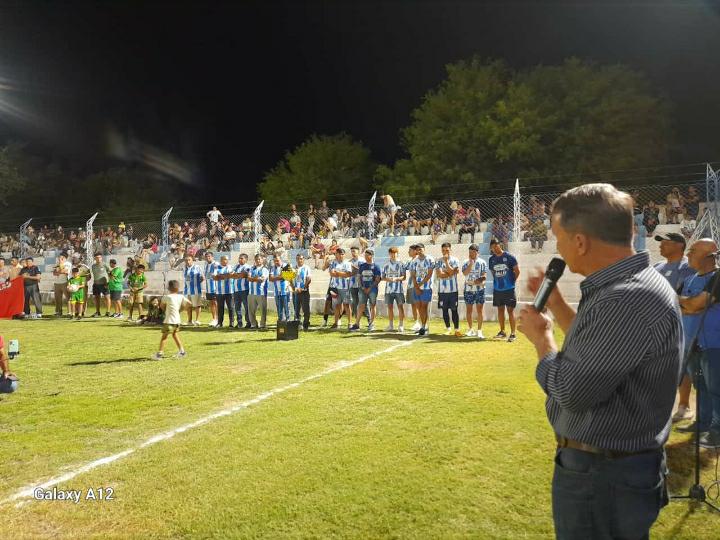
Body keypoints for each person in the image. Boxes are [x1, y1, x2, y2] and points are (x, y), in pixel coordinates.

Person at [517, 183, 681, 539]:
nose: (557, 247)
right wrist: (558, 305)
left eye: (558, 238)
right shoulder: (630, 285)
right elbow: (603, 349)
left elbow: (572, 390)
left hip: (603, 474)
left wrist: (541, 338)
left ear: (580, 242)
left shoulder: (624, 298)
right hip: (616, 468)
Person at [678, 238, 720, 448]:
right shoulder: (689, 279)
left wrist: (686, 304)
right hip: (693, 344)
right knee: (701, 386)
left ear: (709, 256)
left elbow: (694, 306)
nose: (688, 254)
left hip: (715, 344)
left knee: (716, 388)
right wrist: (688, 305)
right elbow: (676, 303)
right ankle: (702, 424)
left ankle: (717, 431)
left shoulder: (718, 278)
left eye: (693, 251)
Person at [653, 232, 696, 423]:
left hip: (680, 323)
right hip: (655, 324)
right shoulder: (656, 266)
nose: (661, 245)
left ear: (679, 245)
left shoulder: (689, 268)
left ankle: (684, 405)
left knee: (682, 364)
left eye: (665, 242)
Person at [489, 239, 520, 342]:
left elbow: (517, 271)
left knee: (510, 310)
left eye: (496, 246)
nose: (494, 249)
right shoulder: (491, 259)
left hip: (509, 289)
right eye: (492, 247)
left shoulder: (509, 257)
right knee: (500, 310)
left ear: (500, 245)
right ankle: (502, 331)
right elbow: (493, 273)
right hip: (498, 289)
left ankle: (513, 333)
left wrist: (512, 282)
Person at [153, 280, 190, 360]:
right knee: (175, 335)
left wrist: (165, 310)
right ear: (178, 288)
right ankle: (182, 351)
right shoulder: (181, 296)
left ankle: (160, 354)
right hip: (177, 320)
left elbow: (162, 306)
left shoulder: (167, 297)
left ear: (168, 288)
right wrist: (181, 309)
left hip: (169, 320)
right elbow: (189, 303)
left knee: (164, 337)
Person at [434, 243, 462, 337]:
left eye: (447, 250)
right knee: (444, 310)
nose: (445, 252)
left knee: (454, 310)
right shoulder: (438, 261)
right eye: (443, 250)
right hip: (442, 291)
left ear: (450, 250)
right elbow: (439, 274)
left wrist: (446, 263)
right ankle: (448, 329)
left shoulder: (455, 260)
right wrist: (451, 273)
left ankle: (457, 329)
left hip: (453, 290)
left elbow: (455, 272)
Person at [352, 249, 381, 331]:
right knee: (361, 305)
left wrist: (370, 288)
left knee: (372, 305)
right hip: (363, 289)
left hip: (373, 290)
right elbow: (359, 277)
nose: (365, 256)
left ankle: (371, 324)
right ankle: (357, 324)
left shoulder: (376, 266)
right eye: (364, 255)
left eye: (367, 255)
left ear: (371, 256)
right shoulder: (362, 266)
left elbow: (377, 279)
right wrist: (362, 287)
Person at [409, 243, 434, 336]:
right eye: (417, 250)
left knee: (424, 307)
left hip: (426, 287)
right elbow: (413, 274)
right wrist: (416, 286)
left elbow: (429, 274)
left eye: (420, 249)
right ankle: (422, 326)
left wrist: (421, 284)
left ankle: (423, 326)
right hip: (416, 287)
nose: (419, 251)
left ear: (424, 249)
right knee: (419, 307)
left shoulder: (430, 259)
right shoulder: (414, 261)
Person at [462, 244, 487, 339]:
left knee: (479, 310)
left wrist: (480, 280)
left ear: (477, 252)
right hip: (468, 289)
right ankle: (470, 329)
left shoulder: (482, 262)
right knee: (469, 310)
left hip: (479, 289)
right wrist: (471, 264)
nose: (471, 254)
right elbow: (465, 273)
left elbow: (484, 275)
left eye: (473, 252)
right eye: (470, 252)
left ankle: (479, 331)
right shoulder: (465, 262)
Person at [326, 248, 353, 329]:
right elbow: (332, 274)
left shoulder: (347, 263)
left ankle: (350, 323)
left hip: (345, 288)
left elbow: (348, 274)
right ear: (336, 254)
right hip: (335, 288)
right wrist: (341, 274)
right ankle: (336, 322)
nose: (341, 255)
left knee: (346, 305)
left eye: (342, 254)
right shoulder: (333, 263)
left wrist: (337, 273)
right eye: (340, 254)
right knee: (337, 306)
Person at [382, 247, 406, 333]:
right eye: (391, 253)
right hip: (388, 290)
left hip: (399, 290)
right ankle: (391, 325)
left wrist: (396, 279)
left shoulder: (401, 264)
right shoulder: (386, 264)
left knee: (400, 307)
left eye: (394, 253)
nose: (393, 255)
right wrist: (389, 279)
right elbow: (383, 277)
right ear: (389, 254)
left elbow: (404, 277)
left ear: (397, 253)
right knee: (390, 307)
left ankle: (401, 325)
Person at [213, 255, 236, 328]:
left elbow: (232, 275)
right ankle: (220, 323)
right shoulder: (217, 268)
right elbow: (215, 277)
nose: (225, 261)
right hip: (219, 292)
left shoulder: (230, 267)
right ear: (221, 260)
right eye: (224, 259)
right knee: (220, 308)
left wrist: (220, 276)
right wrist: (226, 276)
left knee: (231, 307)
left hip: (229, 291)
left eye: (226, 259)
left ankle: (231, 323)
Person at [247, 254, 269, 329]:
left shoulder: (265, 269)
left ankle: (262, 324)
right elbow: (249, 278)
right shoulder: (252, 268)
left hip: (261, 293)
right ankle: (253, 324)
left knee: (263, 310)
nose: (258, 261)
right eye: (256, 259)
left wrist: (253, 279)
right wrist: (256, 278)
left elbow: (262, 280)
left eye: (259, 259)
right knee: (251, 310)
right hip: (251, 293)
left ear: (262, 260)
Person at [183, 255, 204, 326]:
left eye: (189, 260)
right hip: (186, 290)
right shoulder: (184, 268)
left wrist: (196, 284)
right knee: (188, 306)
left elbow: (202, 277)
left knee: (197, 305)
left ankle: (197, 320)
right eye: (186, 260)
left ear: (192, 260)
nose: (187, 262)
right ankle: (189, 321)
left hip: (195, 290)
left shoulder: (197, 267)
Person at [293, 253, 312, 330]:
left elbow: (309, 279)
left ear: (303, 259)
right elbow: (290, 279)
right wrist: (294, 288)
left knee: (305, 309)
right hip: (296, 292)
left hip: (304, 291)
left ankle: (306, 324)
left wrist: (303, 287)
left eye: (301, 259)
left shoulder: (306, 268)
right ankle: (298, 323)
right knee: (296, 309)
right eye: (298, 259)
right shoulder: (293, 268)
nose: (299, 260)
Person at [269, 254, 290, 322]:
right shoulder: (273, 268)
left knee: (286, 307)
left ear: (281, 260)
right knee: (279, 307)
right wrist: (280, 277)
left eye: (277, 261)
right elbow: (270, 279)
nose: (276, 262)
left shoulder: (286, 266)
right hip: (277, 292)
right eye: (275, 261)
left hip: (285, 291)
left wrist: (276, 278)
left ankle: (288, 320)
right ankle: (281, 320)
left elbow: (285, 277)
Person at [233, 253, 251, 329]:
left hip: (244, 290)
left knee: (246, 307)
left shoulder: (247, 267)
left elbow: (243, 275)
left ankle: (248, 322)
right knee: (237, 307)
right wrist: (238, 275)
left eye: (242, 258)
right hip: (236, 290)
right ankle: (239, 323)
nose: (240, 260)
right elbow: (232, 275)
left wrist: (237, 275)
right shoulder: (236, 266)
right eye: (239, 258)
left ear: (246, 259)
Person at [90, 253, 112, 317]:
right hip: (96, 284)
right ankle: (97, 312)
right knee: (96, 298)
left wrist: (108, 282)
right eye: (97, 257)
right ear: (95, 258)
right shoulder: (93, 266)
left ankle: (108, 312)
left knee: (107, 297)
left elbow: (110, 273)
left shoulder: (105, 264)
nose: (98, 259)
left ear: (101, 258)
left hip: (104, 284)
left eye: (99, 257)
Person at [203, 251, 221, 327]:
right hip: (208, 288)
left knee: (215, 303)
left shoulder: (215, 264)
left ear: (212, 257)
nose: (208, 258)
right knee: (211, 303)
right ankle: (214, 318)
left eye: (209, 256)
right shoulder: (206, 265)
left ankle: (217, 319)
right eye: (206, 257)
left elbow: (217, 274)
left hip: (214, 288)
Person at [405, 245, 420, 331]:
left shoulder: (419, 260)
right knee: (413, 305)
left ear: (415, 251)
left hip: (417, 285)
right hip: (410, 285)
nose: (408, 252)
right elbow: (404, 267)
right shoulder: (409, 261)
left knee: (418, 305)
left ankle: (421, 322)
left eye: (410, 250)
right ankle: (416, 322)